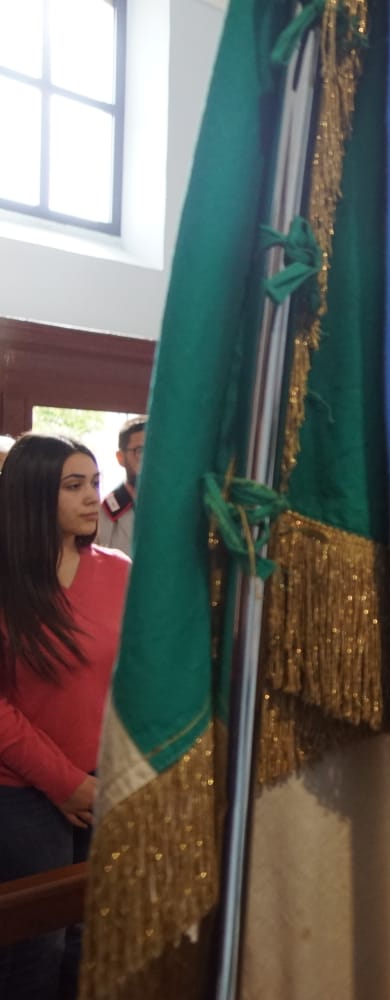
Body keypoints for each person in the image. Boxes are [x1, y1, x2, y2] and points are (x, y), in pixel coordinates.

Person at [0, 434, 130, 998]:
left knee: (93, 941)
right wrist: (65, 783)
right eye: (73, 485)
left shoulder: (118, 569)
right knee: (35, 947)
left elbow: (139, 676)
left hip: (107, 782)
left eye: (95, 483)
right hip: (23, 791)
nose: (90, 498)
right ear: (31, 494)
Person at [95, 416, 144, 556]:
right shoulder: (100, 514)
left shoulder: (175, 511)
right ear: (120, 457)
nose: (149, 460)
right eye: (140, 451)